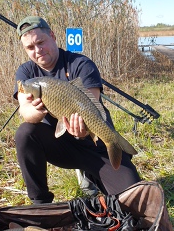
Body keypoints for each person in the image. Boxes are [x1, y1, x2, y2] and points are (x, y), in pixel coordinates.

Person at [14, 16, 141, 204]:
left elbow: (92, 107)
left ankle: (94, 173)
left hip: (94, 145)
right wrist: (38, 111)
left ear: (53, 36)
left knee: (133, 200)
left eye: (41, 42)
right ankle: (40, 203)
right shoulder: (26, 74)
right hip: (60, 146)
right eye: (30, 48)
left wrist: (82, 131)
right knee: (25, 133)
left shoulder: (80, 64)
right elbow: (25, 111)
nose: (38, 50)